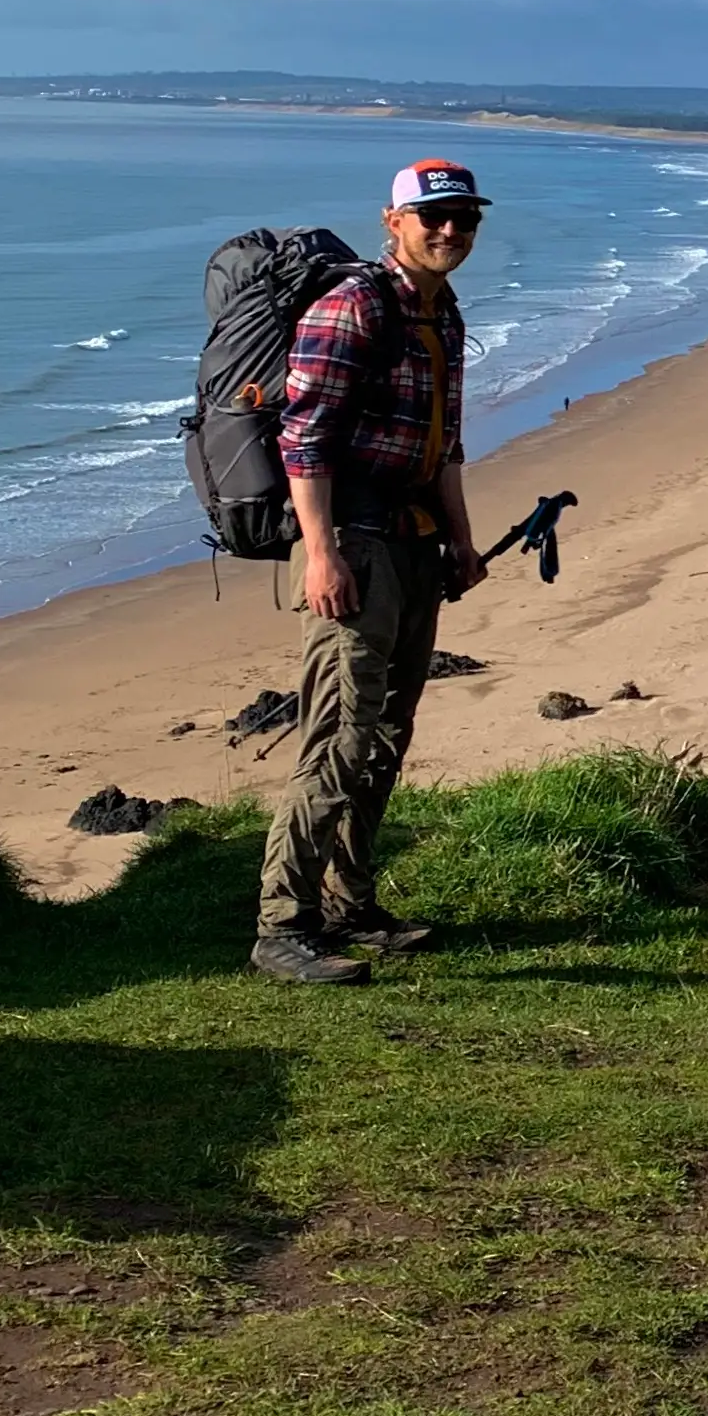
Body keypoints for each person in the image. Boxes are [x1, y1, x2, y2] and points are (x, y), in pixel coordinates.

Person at [251, 159, 492, 983]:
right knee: (337, 737)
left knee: (388, 735)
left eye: (464, 218)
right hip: (351, 544)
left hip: (414, 542)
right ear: (392, 221)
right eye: (434, 218)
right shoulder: (353, 305)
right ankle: (283, 925)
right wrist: (320, 554)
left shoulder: (442, 311)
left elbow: (445, 441)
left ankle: (351, 901)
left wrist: (461, 540)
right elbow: (302, 439)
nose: (451, 231)